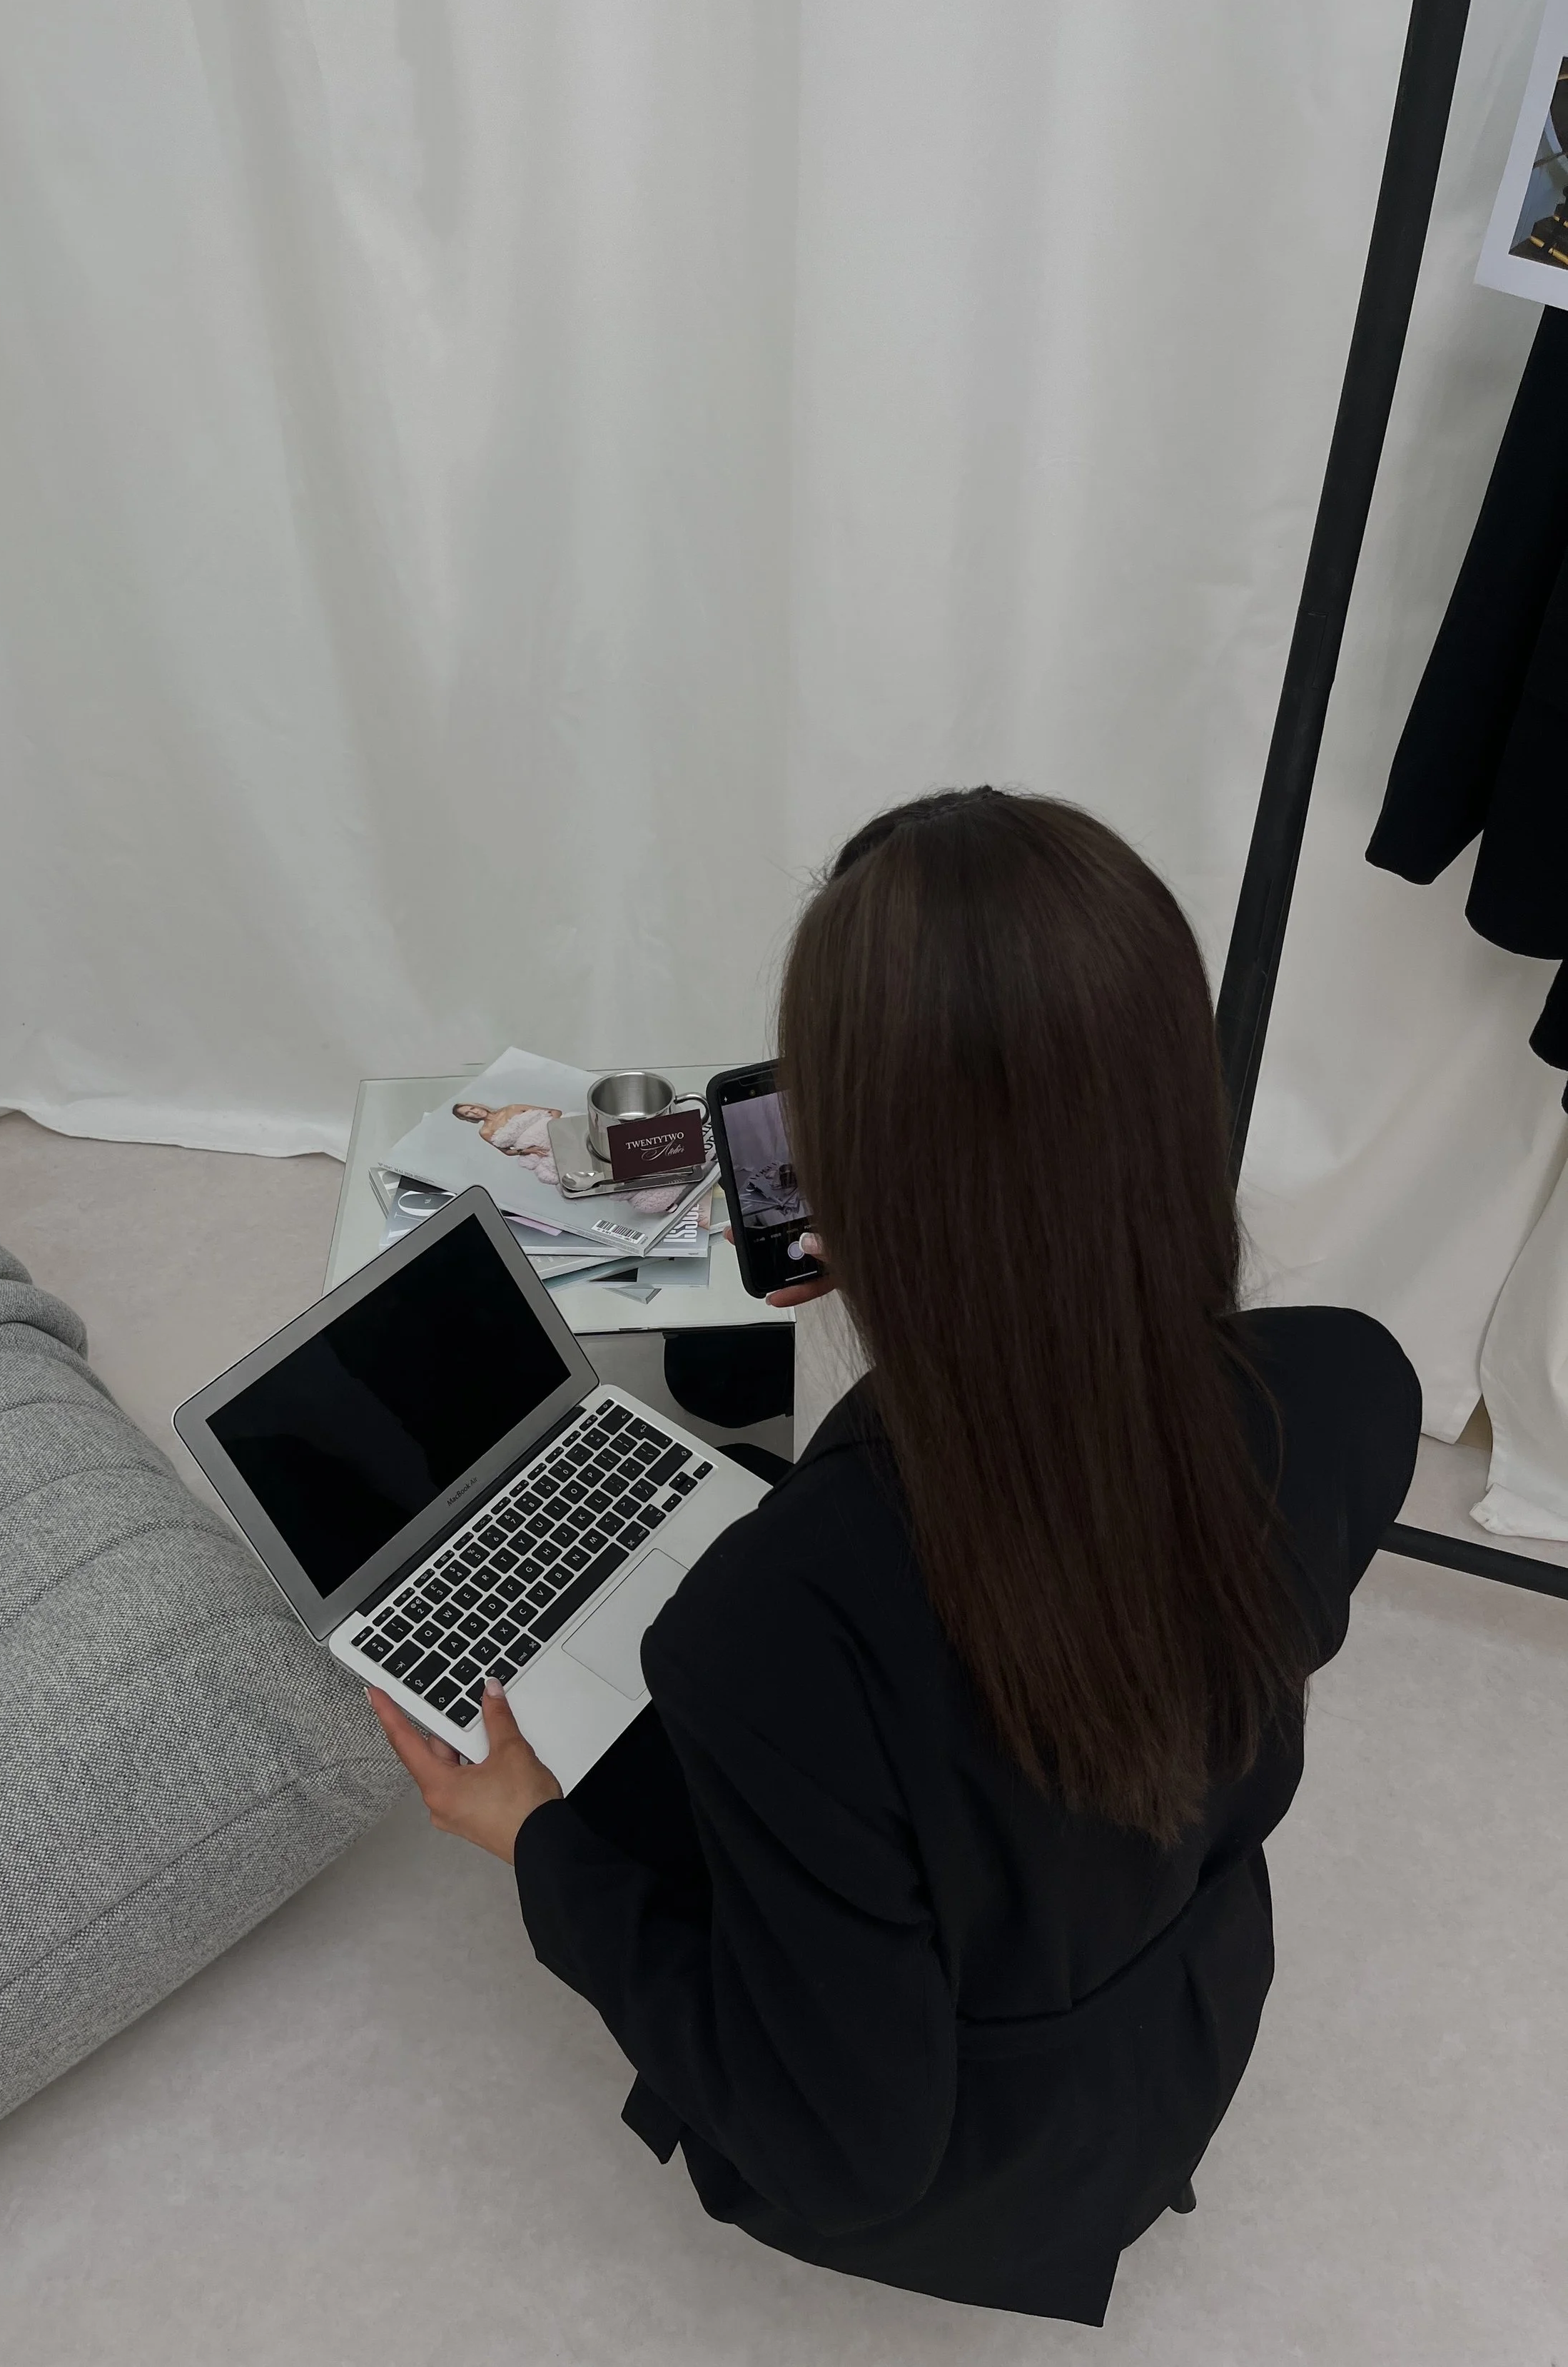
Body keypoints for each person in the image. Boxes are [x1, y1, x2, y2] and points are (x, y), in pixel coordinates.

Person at [368, 789, 1421, 2325]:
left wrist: (533, 1839)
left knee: (610, 1770)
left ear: (862, 1182)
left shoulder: (773, 1621)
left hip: (966, 2170)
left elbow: (847, 2153)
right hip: (1182, 2007)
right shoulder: (1347, 1390)